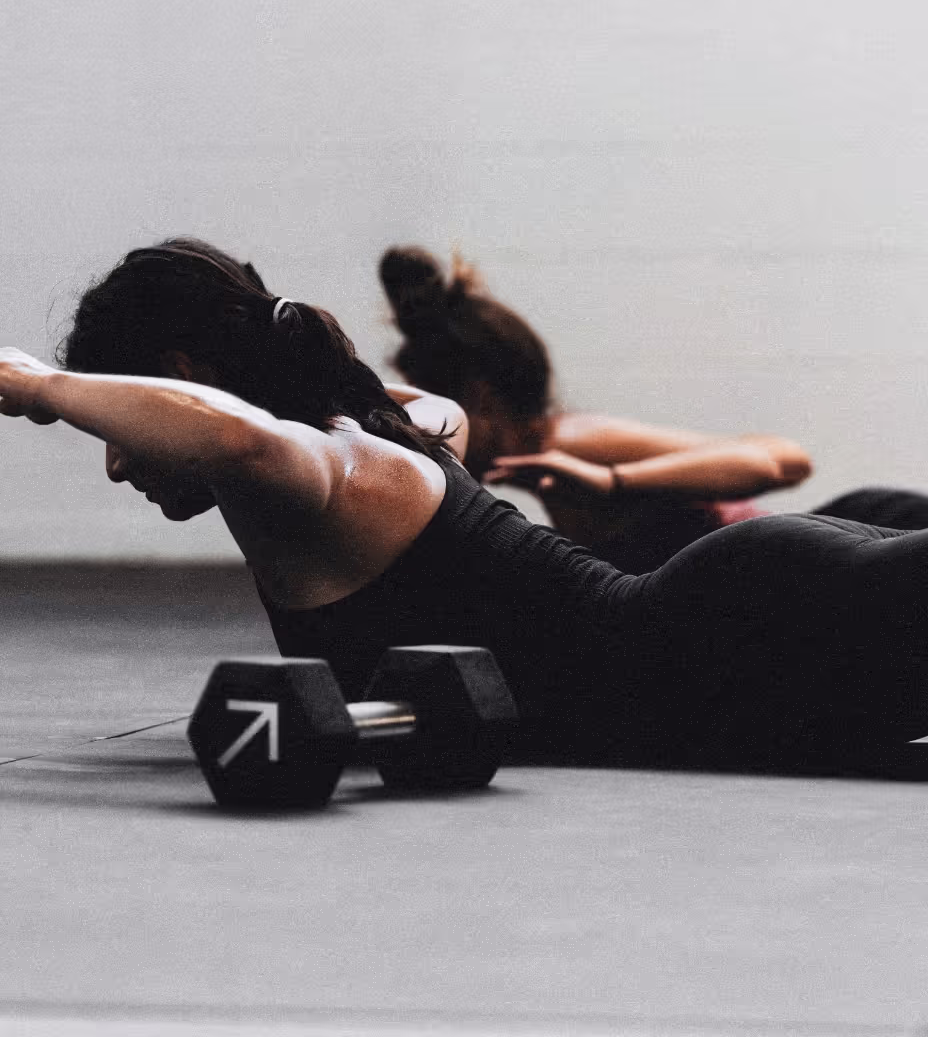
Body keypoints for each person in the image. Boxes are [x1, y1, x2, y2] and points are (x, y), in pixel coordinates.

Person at [4, 238, 928, 764]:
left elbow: (233, 435)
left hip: (737, 638)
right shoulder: (392, 425)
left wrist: (39, 386)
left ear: (179, 378)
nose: (119, 463)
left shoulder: (317, 471)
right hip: (742, 660)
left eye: (119, 422)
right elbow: (319, 410)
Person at [380, 246, 928, 572]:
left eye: (429, 408)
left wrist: (611, 481)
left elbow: (780, 461)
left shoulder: (572, 444)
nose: (421, 429)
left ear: (480, 396)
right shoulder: (545, 469)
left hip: (858, 542)